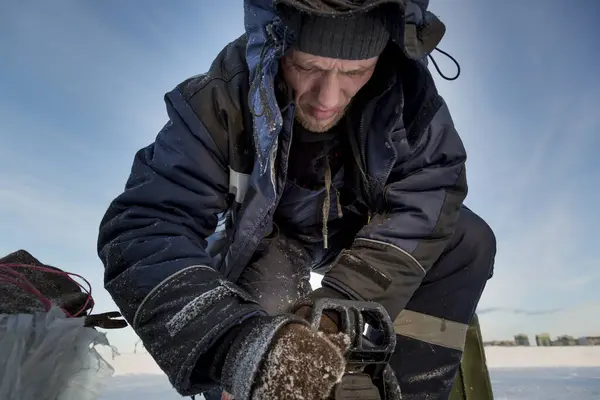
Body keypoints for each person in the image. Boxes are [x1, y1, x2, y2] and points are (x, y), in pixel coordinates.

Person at [97, 0, 497, 399]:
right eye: (308, 67)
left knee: (467, 238)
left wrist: (340, 309)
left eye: (356, 72)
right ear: (277, 42)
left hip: (362, 227)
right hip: (268, 236)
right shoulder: (219, 100)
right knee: (270, 330)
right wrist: (233, 344)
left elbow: (429, 191)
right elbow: (147, 225)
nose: (328, 99)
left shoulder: (411, 100)